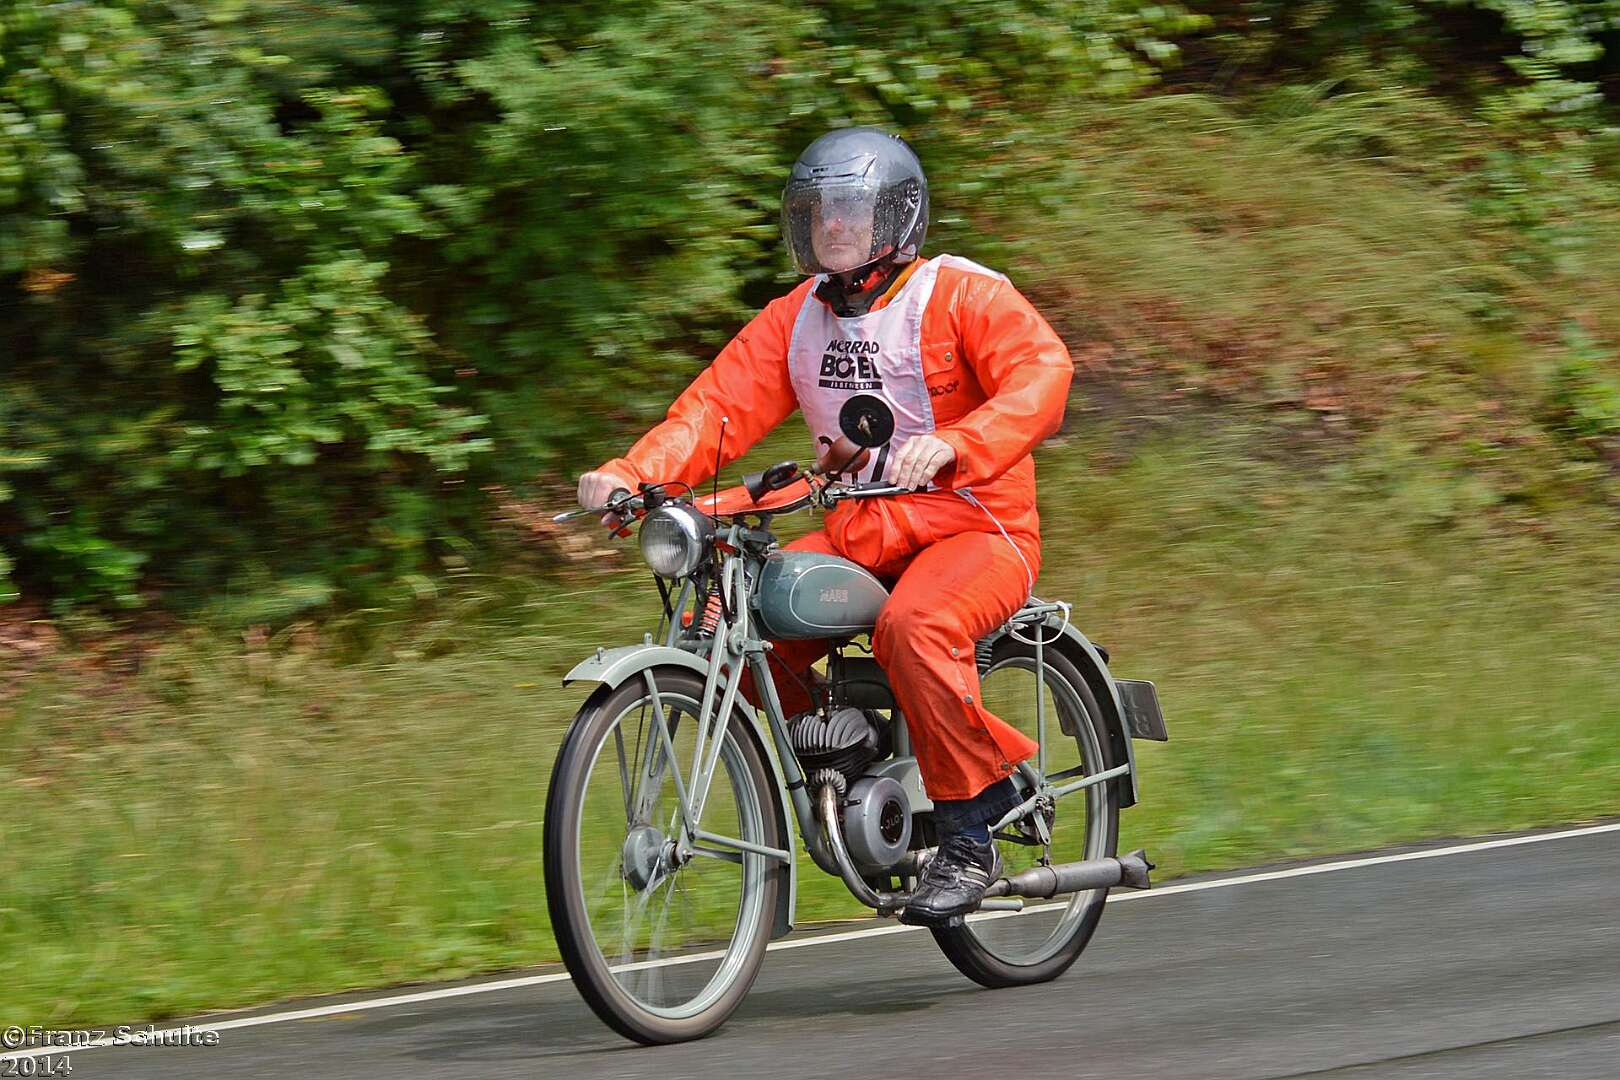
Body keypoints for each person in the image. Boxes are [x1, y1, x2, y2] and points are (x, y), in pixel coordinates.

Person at [576, 127, 1074, 925]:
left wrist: (961, 442)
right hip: (862, 531)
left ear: (897, 215)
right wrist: (632, 473)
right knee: (726, 629)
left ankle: (970, 834)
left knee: (916, 628)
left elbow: (1042, 375)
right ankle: (843, 744)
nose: (832, 225)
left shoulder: (962, 294)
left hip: (978, 526)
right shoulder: (795, 318)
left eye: (850, 208)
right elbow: (715, 409)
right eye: (818, 211)